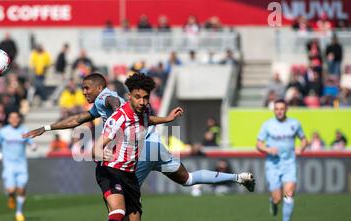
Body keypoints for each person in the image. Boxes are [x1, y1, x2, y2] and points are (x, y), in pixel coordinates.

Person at [23, 73, 255, 193]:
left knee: (123, 202)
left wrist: (112, 133)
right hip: (153, 145)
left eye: (86, 88)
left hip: (139, 149)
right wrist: (46, 128)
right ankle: (238, 178)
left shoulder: (107, 97)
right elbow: (77, 119)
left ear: (98, 87)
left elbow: (117, 105)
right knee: (188, 179)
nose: (83, 92)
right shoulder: (100, 103)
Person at [90, 72, 183, 221]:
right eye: (138, 97)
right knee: (118, 211)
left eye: (145, 97)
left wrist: (166, 119)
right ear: (129, 96)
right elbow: (98, 143)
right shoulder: (118, 117)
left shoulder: (144, 112)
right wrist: (99, 153)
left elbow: (146, 120)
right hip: (110, 170)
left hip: (129, 174)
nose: (142, 102)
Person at [256, 99, 308, 221]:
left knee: (289, 195)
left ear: (286, 109)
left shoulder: (294, 124)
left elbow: (304, 140)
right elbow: (258, 144)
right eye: (277, 109)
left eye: (282, 109)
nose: (279, 111)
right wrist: (267, 150)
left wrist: (301, 148)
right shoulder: (267, 125)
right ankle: (273, 202)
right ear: (274, 110)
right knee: (278, 198)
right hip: (273, 165)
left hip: (289, 164)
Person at [0, 111, 36, 221]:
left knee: (21, 190)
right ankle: (11, 196)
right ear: (9, 119)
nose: (14, 119)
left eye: (16, 117)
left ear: (19, 119)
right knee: (11, 189)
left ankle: (19, 212)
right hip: (9, 165)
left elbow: (31, 142)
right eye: (12, 117)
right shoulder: (3, 131)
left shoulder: (24, 130)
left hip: (21, 165)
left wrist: (33, 145)